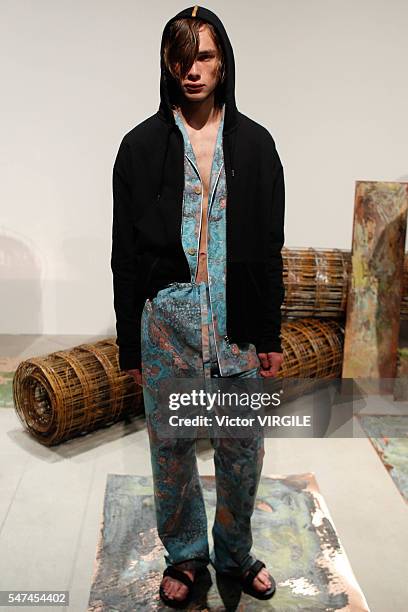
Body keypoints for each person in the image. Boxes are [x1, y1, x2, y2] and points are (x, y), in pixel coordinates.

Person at [111, 5, 285, 607]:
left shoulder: (257, 145)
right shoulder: (139, 147)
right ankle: (186, 556)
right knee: (171, 447)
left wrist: (270, 335)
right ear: (167, 62)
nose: (193, 69)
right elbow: (124, 255)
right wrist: (128, 346)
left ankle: (234, 553)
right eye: (182, 57)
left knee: (241, 447)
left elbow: (268, 248)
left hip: (235, 328)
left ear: (223, 60)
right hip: (166, 328)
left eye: (205, 55)